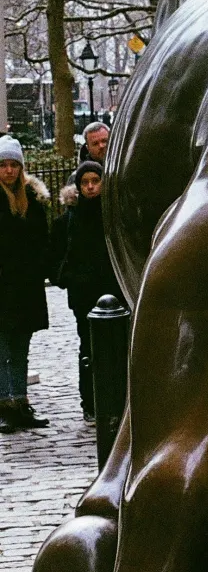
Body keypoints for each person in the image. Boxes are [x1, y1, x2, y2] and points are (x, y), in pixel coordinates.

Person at [51, 160, 123, 423]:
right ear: (79, 186)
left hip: (114, 292)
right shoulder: (68, 221)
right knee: (89, 349)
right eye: (85, 182)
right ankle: (91, 402)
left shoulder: (114, 215)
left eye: (95, 181)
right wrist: (67, 278)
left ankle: (118, 401)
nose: (91, 187)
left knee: (118, 347)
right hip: (84, 296)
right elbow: (55, 257)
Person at [0, 137, 50, 431]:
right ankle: (5, 405)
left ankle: (20, 401)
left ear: (21, 168)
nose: (8, 171)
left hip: (25, 286)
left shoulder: (33, 200)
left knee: (20, 348)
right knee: (3, 348)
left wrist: (39, 268)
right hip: (3, 285)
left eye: (13, 165)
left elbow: (42, 241)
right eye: (3, 165)